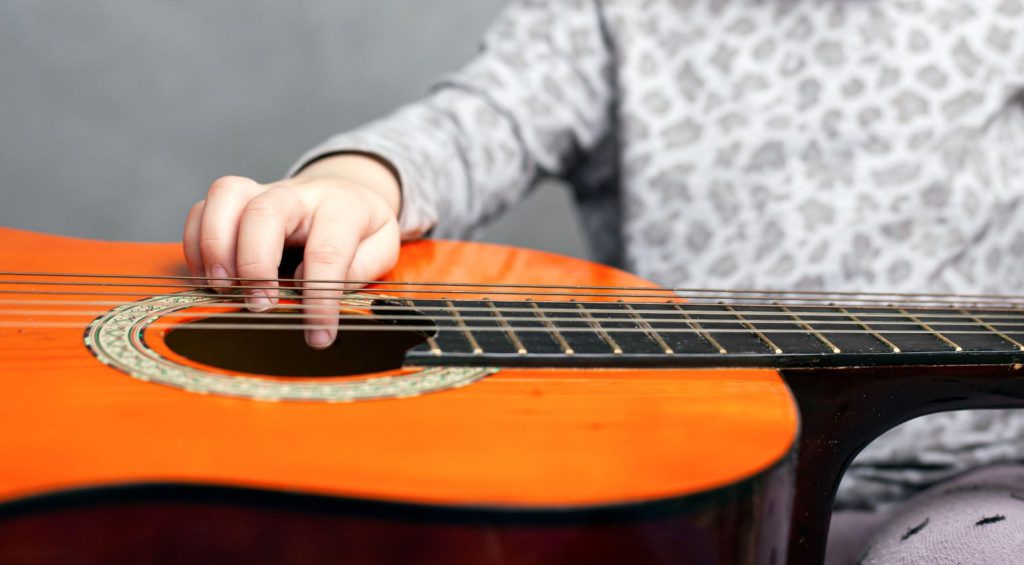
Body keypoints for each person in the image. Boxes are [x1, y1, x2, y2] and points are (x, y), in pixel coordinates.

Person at [182, 1, 1024, 561]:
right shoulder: (610, 13)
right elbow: (477, 120)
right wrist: (358, 184)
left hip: (959, 474)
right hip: (678, 484)